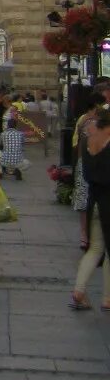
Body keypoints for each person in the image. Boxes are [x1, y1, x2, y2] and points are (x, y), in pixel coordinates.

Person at [71, 87, 110, 311]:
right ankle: (107, 298)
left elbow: (86, 172)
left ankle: (79, 290)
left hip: (93, 201)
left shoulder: (88, 143)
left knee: (95, 249)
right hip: (108, 202)